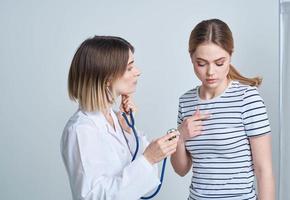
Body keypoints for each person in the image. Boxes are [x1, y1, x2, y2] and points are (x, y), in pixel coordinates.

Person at [60, 36, 182, 200]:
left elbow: (145, 187)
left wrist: (129, 132)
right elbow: (92, 197)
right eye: (129, 67)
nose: (138, 72)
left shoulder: (115, 119)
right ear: (107, 78)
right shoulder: (81, 130)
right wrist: (148, 159)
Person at [171, 19, 275, 200]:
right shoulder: (186, 101)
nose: (211, 72)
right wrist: (180, 137)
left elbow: (263, 170)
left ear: (230, 55)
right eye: (201, 63)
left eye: (219, 62)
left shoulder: (247, 99)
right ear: (191, 58)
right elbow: (181, 170)